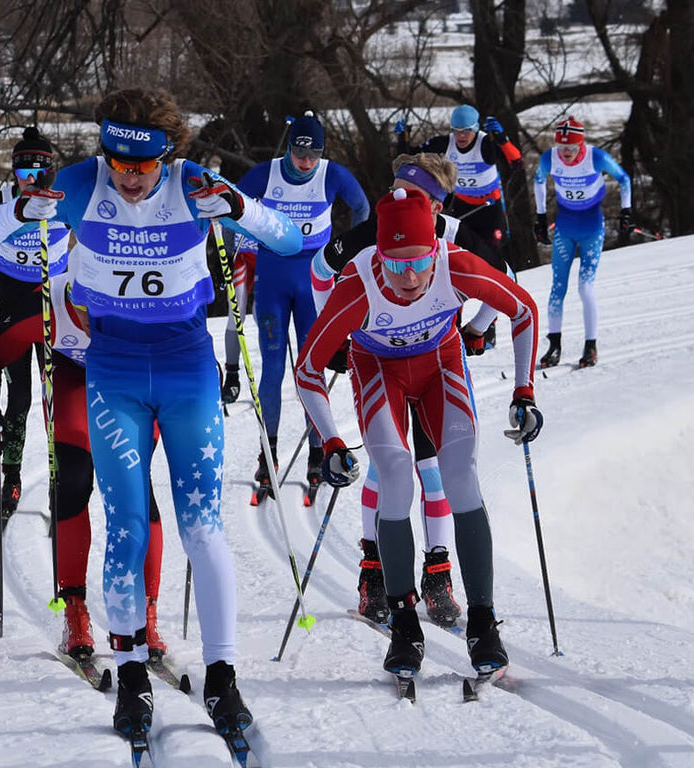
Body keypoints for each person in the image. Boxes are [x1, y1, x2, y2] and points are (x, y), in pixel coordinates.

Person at [0, 88, 304, 743]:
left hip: (186, 369)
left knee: (202, 525)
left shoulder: (192, 183)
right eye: (117, 163)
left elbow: (286, 238)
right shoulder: (78, 184)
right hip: (113, 369)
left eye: (141, 168)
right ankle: (130, 679)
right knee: (124, 520)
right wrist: (18, 206)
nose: (126, 178)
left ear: (166, 158)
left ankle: (224, 677)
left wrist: (240, 208)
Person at [294, 186, 541, 681]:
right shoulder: (358, 285)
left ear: (435, 250)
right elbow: (307, 369)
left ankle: (483, 622)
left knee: (460, 475)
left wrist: (524, 390)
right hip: (378, 368)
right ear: (377, 255)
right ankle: (405, 622)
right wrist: (332, 440)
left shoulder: (457, 266)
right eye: (394, 263)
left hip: (440, 364)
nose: (408, 276)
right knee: (395, 476)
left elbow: (524, 310)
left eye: (418, 262)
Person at [313, 153, 508, 627]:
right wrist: (336, 331)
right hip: (381, 359)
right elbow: (321, 270)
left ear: (438, 206)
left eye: (416, 195)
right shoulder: (378, 230)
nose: (399, 199)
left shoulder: (459, 235)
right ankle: (374, 569)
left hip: (437, 362)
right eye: (396, 187)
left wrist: (477, 330)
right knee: (388, 468)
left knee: (437, 469)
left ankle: (437, 571)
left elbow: (505, 282)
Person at [0, 255, 168, 664]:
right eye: (86, 309)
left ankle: (146, 609)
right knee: (73, 478)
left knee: (135, 488)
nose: (95, 320)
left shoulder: (148, 306)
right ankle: (74, 607)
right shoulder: (48, 305)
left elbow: (190, 345)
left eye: (105, 309)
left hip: (134, 386)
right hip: (73, 381)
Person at [233, 111, 368, 502]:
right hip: (273, 279)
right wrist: (240, 236)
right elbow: (227, 202)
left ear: (321, 153)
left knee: (310, 368)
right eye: (298, 153)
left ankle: (316, 451)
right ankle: (268, 454)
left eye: (312, 155)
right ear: (290, 148)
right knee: (273, 368)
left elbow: (362, 211)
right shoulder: (267, 173)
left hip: (313, 282)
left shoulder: (333, 175)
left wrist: (344, 251)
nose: (304, 163)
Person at [0, 127, 64, 523]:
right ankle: (12, 476)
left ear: (52, 170)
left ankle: (60, 479)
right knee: (18, 394)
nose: (32, 179)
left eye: (41, 169)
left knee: (56, 393)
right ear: (14, 171)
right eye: (24, 170)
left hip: (53, 299)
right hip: (14, 298)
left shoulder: (62, 200)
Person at [532, 117, 633, 369]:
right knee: (557, 288)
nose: (565, 152)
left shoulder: (596, 157)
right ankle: (554, 346)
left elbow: (624, 179)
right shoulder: (549, 158)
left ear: (581, 144)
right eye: (561, 146)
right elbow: (538, 181)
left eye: (571, 147)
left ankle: (591, 346)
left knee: (585, 287)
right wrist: (541, 217)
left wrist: (626, 212)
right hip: (565, 226)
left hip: (591, 227)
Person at [398, 104, 523, 259]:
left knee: (493, 254)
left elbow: (517, 163)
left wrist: (503, 139)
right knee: (465, 253)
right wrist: (402, 136)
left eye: (466, 131)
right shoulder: (445, 143)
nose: (461, 136)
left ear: (476, 128)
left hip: (489, 208)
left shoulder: (485, 144)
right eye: (456, 131)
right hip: (464, 207)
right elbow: (409, 156)